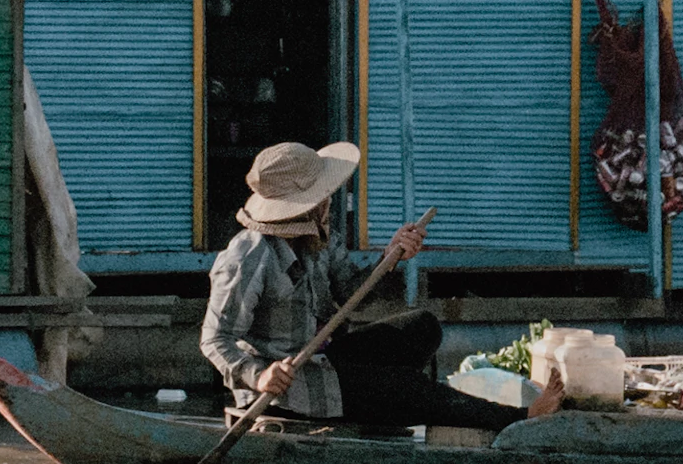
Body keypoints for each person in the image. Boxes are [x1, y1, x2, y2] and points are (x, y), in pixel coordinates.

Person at [199, 141, 527, 431]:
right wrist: (260, 375)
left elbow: (353, 292)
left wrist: (391, 256)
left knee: (421, 327)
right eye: (323, 195)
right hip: (288, 389)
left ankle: (374, 403)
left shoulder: (317, 236)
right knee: (404, 386)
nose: (328, 199)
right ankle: (516, 417)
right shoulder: (249, 256)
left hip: (324, 359)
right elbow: (215, 340)